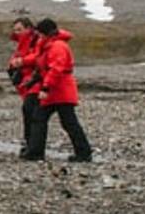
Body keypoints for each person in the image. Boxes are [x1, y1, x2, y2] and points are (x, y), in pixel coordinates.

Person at [22, 19, 92, 162]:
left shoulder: (57, 47)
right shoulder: (50, 45)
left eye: (40, 34)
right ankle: (82, 152)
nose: (39, 37)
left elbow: (56, 69)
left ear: (45, 33)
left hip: (60, 90)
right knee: (47, 119)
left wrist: (45, 87)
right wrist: (34, 80)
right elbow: (43, 66)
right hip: (58, 90)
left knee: (63, 121)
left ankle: (36, 152)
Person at [8, 17, 43, 158]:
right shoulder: (22, 43)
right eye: (15, 30)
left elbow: (39, 56)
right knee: (31, 114)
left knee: (32, 114)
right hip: (27, 84)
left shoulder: (37, 40)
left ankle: (33, 149)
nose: (17, 33)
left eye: (20, 30)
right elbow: (17, 57)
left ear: (29, 28)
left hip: (37, 82)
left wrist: (22, 61)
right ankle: (31, 147)